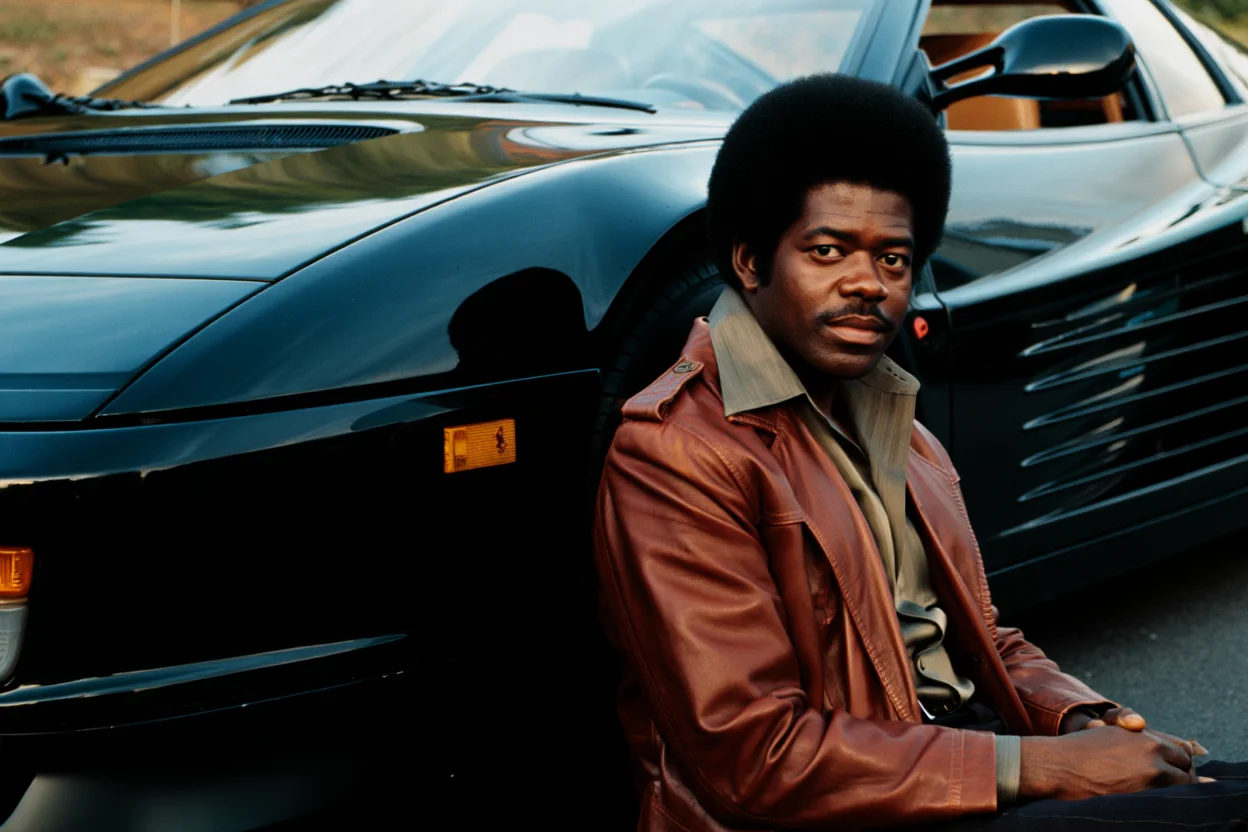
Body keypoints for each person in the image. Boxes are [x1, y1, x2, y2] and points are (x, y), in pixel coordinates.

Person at [593, 73, 1248, 831]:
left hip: (953, 767)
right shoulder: (677, 452)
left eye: (893, 260)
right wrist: (1044, 768)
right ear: (749, 262)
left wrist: (1085, 724)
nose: (868, 284)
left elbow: (981, 637)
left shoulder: (901, 426)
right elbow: (753, 759)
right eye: (828, 250)